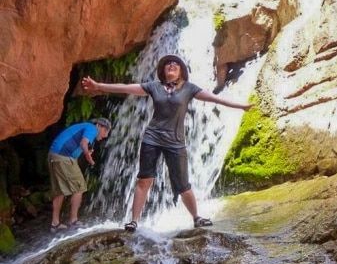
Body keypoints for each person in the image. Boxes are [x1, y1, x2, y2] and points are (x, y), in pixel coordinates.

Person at [82, 55, 252, 232]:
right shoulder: (154, 87)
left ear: (181, 72)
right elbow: (126, 88)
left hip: (176, 142)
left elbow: (214, 98)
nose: (172, 65)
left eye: (176, 64)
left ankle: (196, 217)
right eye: (168, 64)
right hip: (152, 139)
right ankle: (133, 221)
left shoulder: (189, 88)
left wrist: (240, 106)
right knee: (144, 180)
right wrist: (98, 86)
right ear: (163, 71)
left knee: (182, 184)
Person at [48, 117, 111, 233]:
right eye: (106, 131)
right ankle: (73, 221)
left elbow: (81, 145)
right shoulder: (92, 128)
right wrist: (89, 157)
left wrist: (87, 151)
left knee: (60, 191)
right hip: (64, 157)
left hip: (54, 156)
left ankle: (55, 223)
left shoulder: (86, 127)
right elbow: (83, 143)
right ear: (100, 126)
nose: (105, 135)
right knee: (79, 187)